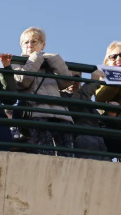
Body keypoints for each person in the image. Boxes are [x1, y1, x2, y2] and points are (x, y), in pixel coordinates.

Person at [12, 27, 76, 155]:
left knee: (68, 153)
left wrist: (55, 58)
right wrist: (36, 58)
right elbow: (22, 81)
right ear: (21, 45)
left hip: (60, 113)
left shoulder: (50, 62)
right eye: (26, 42)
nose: (29, 45)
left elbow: (67, 82)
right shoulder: (17, 61)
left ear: (43, 45)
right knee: (45, 151)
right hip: (37, 113)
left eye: (34, 41)